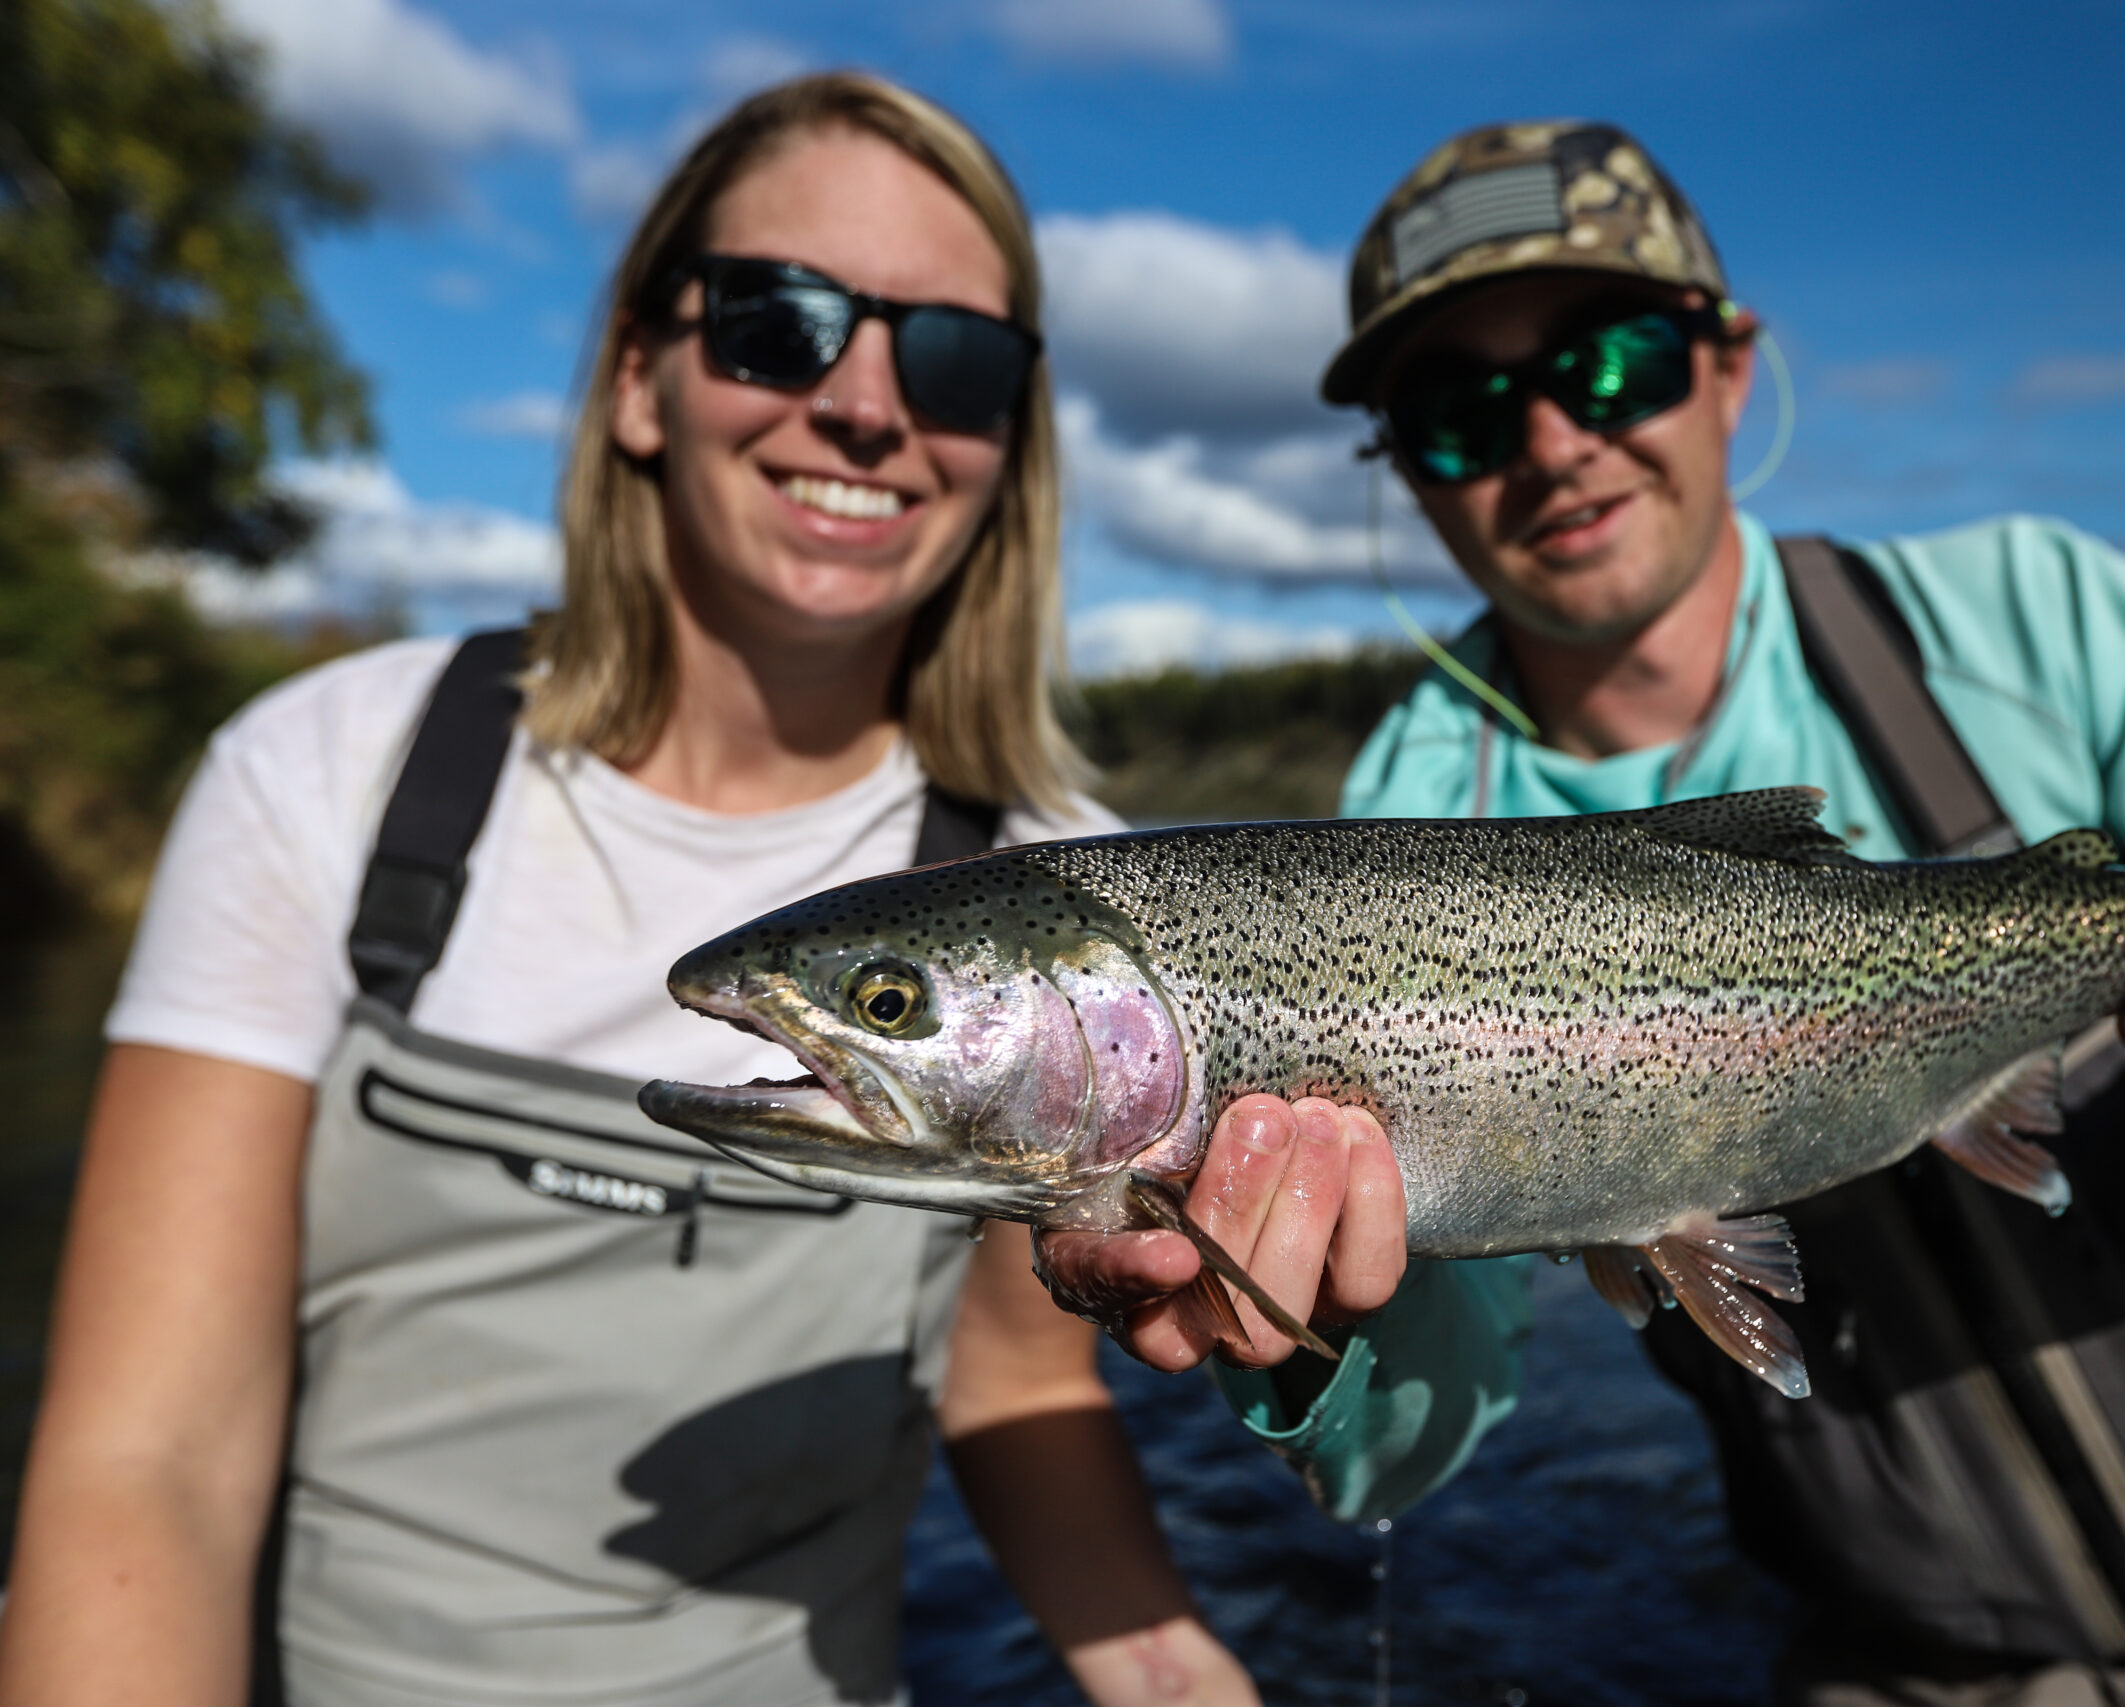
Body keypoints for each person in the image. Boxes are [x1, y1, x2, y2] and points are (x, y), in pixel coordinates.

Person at [1042, 122, 2125, 1701]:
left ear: (1729, 365)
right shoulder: (1386, 834)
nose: (1554, 440)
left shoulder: (2030, 621)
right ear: (1404, 468)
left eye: (1609, 360)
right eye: (1460, 407)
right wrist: (1301, 1335)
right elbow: (1412, 1432)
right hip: (1931, 1671)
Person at [0, 72, 1258, 1707]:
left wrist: (1174, 1674)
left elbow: (1010, 1390)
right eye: (776, 321)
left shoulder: (1065, 917)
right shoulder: (330, 772)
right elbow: (147, 1469)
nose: (867, 404)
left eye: (952, 360)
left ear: (1005, 446)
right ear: (639, 380)